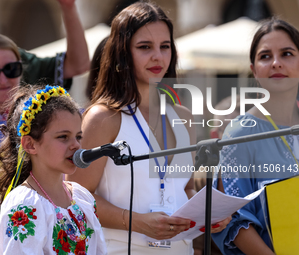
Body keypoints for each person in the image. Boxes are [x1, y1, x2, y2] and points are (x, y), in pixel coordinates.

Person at [68, 2, 230, 254]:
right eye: (145, 47)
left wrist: (205, 215)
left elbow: (183, 188)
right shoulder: (102, 117)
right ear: (122, 52)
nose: (158, 56)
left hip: (179, 249)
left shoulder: (183, 117)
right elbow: (74, 197)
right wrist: (138, 223)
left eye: (165, 47)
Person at [212, 17, 299, 254]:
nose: (276, 63)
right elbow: (233, 220)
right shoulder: (240, 132)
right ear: (254, 70)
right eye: (265, 56)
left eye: (287, 53)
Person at [0, 84, 107, 254]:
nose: (76, 145)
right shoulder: (25, 205)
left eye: (78, 137)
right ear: (30, 144)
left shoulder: (81, 197)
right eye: (63, 137)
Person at [0, 0, 89, 109]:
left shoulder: (10, 57)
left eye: (11, 69)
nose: (2, 79)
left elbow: (78, 65)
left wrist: (68, 7)